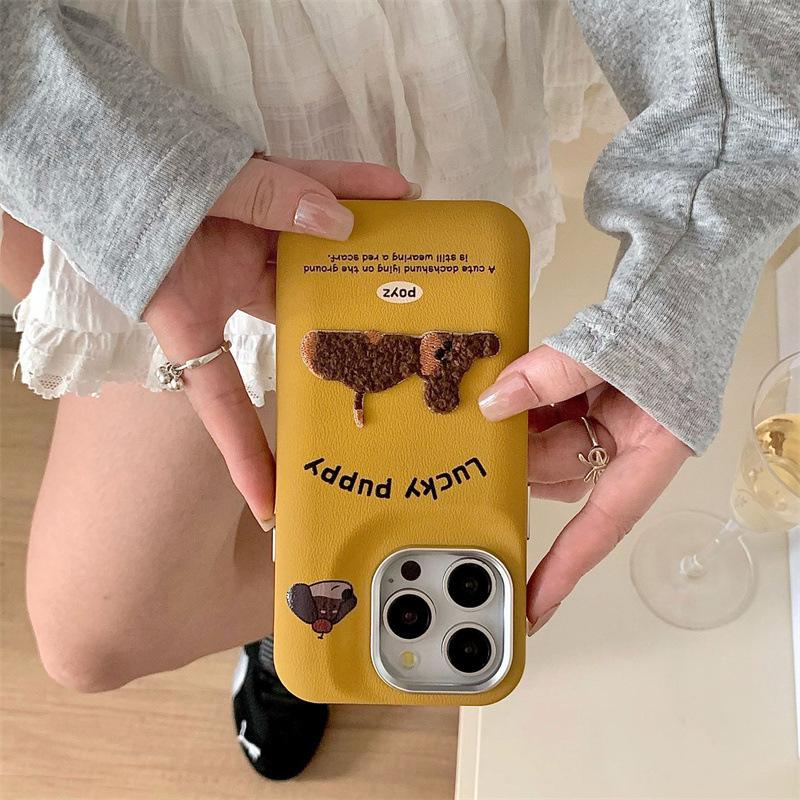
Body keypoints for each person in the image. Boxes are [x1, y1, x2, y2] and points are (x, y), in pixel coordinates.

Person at [2, 0, 798, 782]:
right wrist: (119, 179)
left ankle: (317, 602)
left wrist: (698, 242)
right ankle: (318, 593)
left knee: (98, 627)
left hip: (338, 66)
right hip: (53, 68)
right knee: (99, 627)